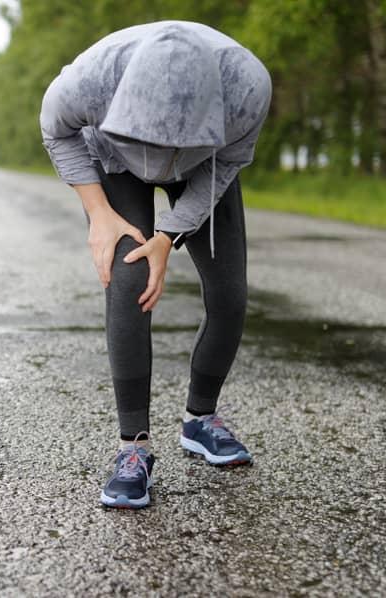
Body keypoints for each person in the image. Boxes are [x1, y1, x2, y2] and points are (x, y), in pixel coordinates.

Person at [39, 20, 272, 509]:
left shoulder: (248, 89)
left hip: (205, 168)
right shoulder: (92, 78)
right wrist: (100, 214)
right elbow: (55, 131)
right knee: (130, 282)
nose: (160, 155)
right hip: (115, 165)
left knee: (230, 293)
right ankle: (134, 449)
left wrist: (169, 234)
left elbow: (228, 164)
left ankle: (200, 421)